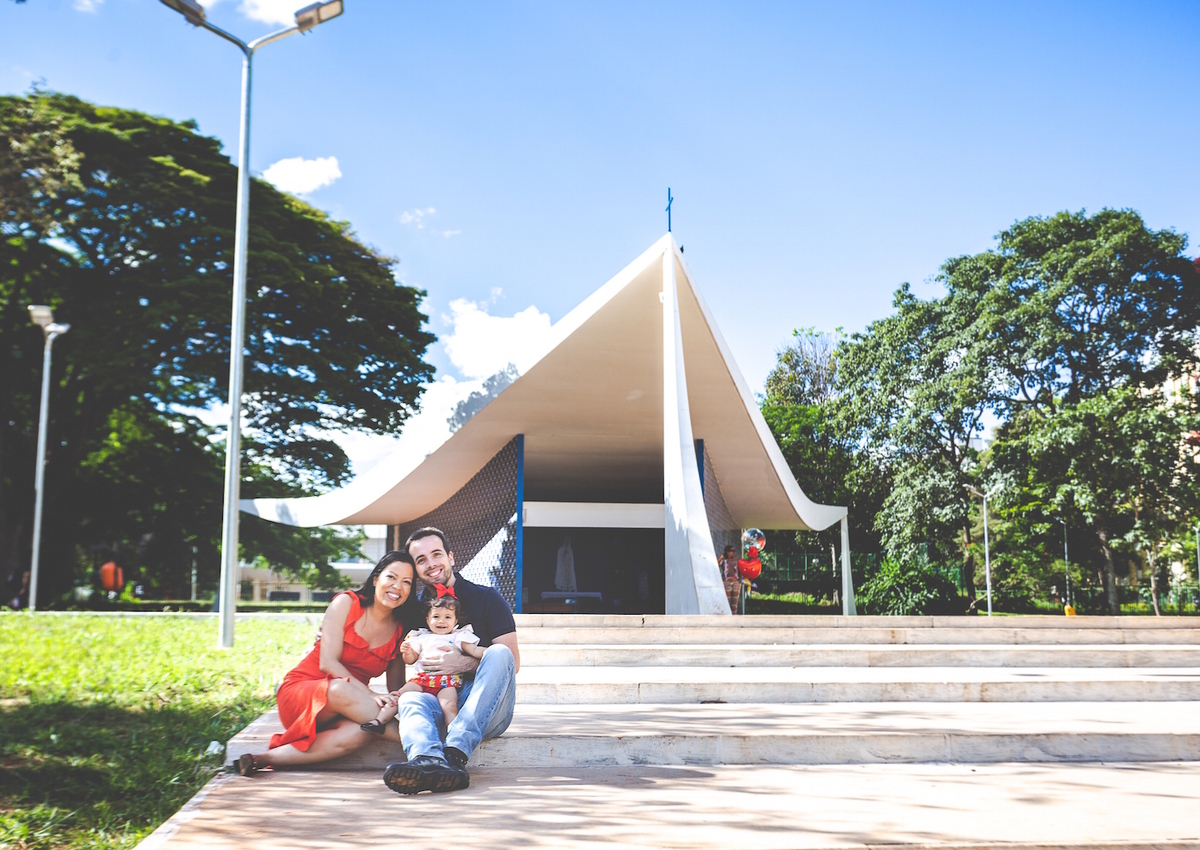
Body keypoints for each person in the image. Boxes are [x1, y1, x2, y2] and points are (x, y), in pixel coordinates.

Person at [233, 551, 416, 775]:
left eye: (406, 582)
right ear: (376, 578)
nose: (397, 586)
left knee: (362, 732)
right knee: (339, 688)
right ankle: (421, 744)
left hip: (346, 707)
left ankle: (262, 759)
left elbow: (395, 688)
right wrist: (370, 696)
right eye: (392, 577)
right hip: (302, 692)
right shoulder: (346, 603)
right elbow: (328, 664)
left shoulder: (400, 631)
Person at [382, 526, 520, 795]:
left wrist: (464, 663)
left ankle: (455, 751)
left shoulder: (488, 598)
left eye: (436, 554)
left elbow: (512, 663)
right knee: (410, 698)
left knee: (500, 652)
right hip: (436, 703)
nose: (431, 564)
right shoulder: (414, 611)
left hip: (487, 708)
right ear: (416, 569)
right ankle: (426, 760)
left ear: (451, 557)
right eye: (421, 560)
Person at [361, 587, 483, 733]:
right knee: (399, 695)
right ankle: (379, 721)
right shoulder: (421, 636)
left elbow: (474, 650)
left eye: (448, 617)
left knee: (449, 706)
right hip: (421, 679)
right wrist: (407, 651)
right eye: (436, 616)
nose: (441, 621)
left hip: (446, 681)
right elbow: (410, 660)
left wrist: (490, 652)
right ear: (428, 620)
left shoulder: (458, 636)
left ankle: (455, 734)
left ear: (456, 620)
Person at [719, 545, 740, 613]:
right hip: (726, 581)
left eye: (734, 551)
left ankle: (733, 615)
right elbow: (716, 564)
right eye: (731, 551)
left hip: (736, 581)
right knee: (726, 599)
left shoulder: (737, 560)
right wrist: (721, 557)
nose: (733, 553)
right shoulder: (724, 561)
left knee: (734, 601)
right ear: (727, 552)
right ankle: (726, 614)